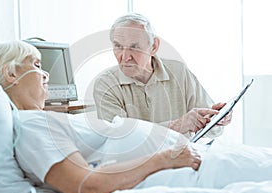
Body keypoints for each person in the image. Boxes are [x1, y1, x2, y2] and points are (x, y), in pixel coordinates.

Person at [0, 41, 272, 193]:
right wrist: (165, 159)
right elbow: (88, 186)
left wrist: (182, 130)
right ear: (10, 74)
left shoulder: (41, 121)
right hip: (184, 166)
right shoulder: (31, 125)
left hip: (190, 156)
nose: (45, 75)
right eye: (36, 66)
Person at [93, 13, 232, 140]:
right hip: (138, 164)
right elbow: (119, 139)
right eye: (118, 46)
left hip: (185, 158)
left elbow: (212, 132)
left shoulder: (179, 72)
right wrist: (177, 126)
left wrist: (216, 120)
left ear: (154, 46)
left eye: (134, 47)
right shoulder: (105, 84)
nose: (125, 57)